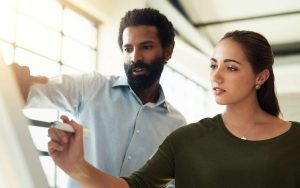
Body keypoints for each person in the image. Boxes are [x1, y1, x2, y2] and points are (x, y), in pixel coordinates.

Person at [48, 30, 300, 188]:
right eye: (214, 65)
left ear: (261, 77)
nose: (217, 76)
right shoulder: (186, 139)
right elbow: (133, 187)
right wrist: (76, 166)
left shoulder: (295, 140)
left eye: (231, 67)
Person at [12, 8, 186, 187]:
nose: (135, 57)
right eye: (128, 49)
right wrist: (14, 82)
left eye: (146, 47)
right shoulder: (92, 87)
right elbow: (29, 92)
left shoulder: (177, 125)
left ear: (167, 51)